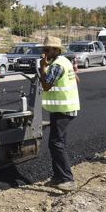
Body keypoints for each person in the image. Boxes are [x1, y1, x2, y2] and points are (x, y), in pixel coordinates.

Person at [38, 35, 80, 192]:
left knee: (56, 143)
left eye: (47, 49)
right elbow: (77, 79)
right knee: (57, 143)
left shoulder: (56, 65)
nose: (44, 52)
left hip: (63, 110)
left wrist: (43, 68)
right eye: (43, 49)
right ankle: (58, 177)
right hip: (63, 109)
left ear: (56, 50)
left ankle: (67, 179)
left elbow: (46, 85)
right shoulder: (63, 62)